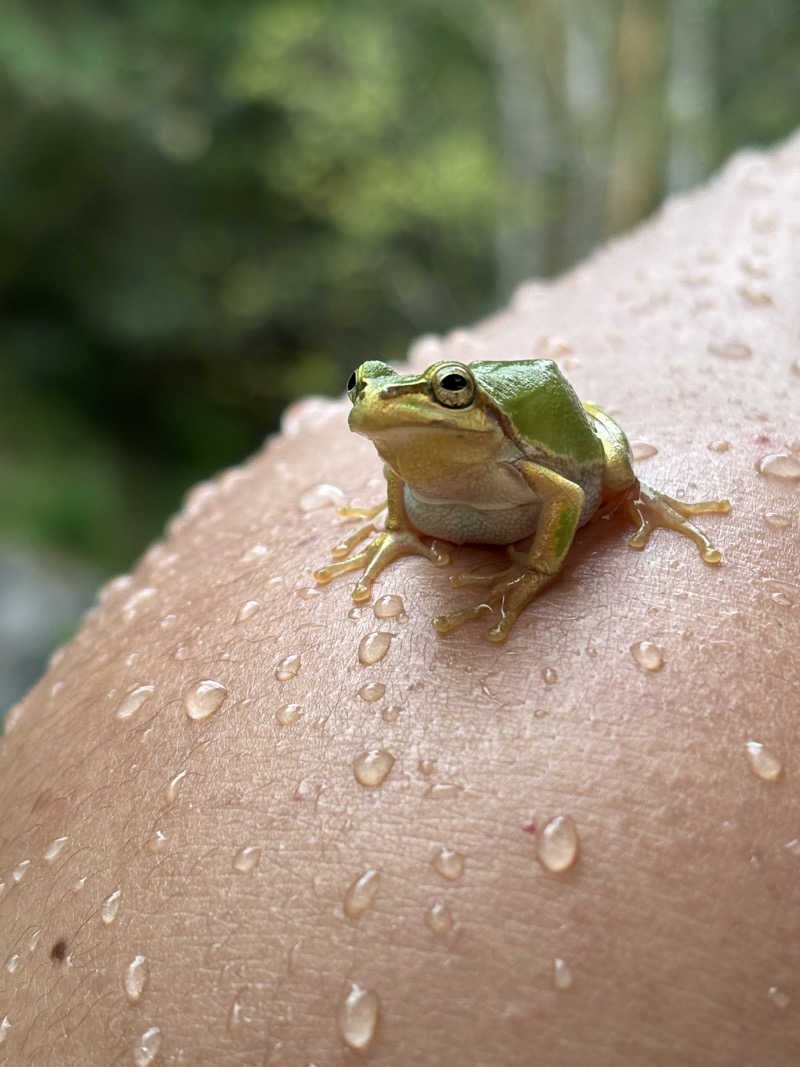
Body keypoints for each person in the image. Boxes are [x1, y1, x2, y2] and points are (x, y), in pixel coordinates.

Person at [2, 132, 799, 1066]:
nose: (381, 405)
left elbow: (570, 491)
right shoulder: (402, 438)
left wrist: (532, 578)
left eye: (445, 392)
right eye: (365, 388)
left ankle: (599, 481)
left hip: (560, 445)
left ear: (470, 401)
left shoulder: (513, 436)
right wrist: (399, 524)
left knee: (614, 472)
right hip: (472, 470)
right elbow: (398, 456)